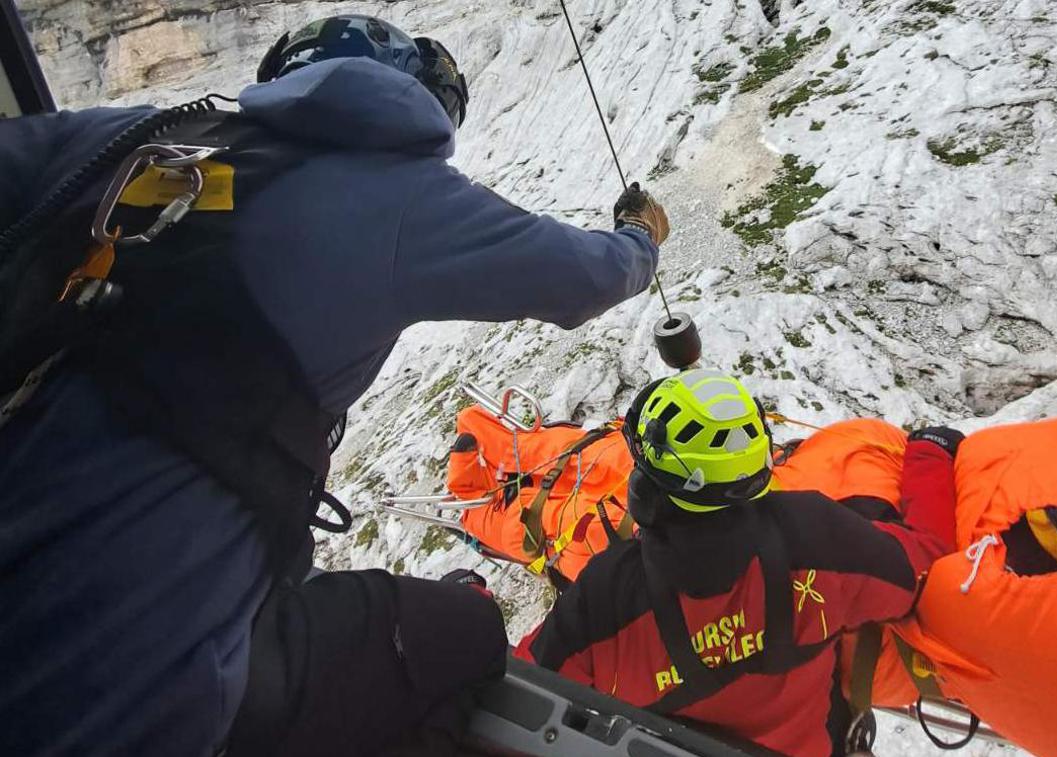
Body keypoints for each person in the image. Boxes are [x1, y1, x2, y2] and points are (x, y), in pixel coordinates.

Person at [0, 14, 668, 757]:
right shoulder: (404, 199)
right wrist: (641, 235)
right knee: (466, 628)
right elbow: (588, 275)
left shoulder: (143, 143)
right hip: (127, 688)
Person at [516, 369, 961, 756]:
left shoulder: (605, 598)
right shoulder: (818, 537)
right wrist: (930, 452)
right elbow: (921, 562)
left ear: (645, 492)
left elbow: (518, 692)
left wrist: (469, 607)